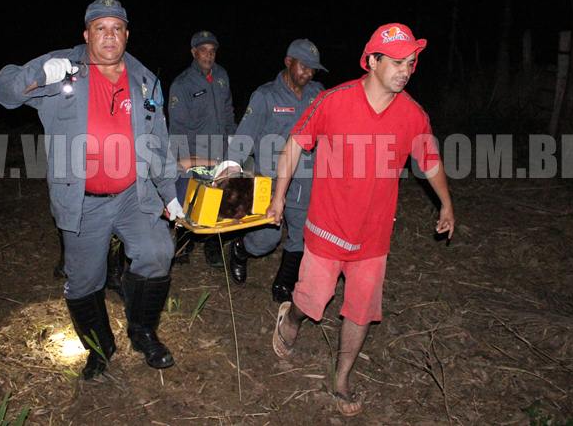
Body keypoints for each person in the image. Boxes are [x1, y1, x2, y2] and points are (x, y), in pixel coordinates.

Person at [0, 0, 184, 379]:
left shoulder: (146, 80)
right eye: (100, 28)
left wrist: (171, 194)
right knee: (83, 281)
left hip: (134, 195)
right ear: (86, 34)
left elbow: (158, 144)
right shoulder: (62, 68)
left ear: (127, 35)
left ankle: (143, 332)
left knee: (158, 251)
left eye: (117, 28)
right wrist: (38, 74)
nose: (109, 36)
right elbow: (3, 91)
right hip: (82, 201)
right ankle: (100, 348)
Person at [267, 23, 455, 417]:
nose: (406, 70)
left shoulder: (412, 115)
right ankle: (291, 318)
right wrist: (278, 197)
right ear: (372, 61)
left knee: (361, 310)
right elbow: (294, 145)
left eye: (411, 62)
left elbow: (430, 161)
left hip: (373, 236)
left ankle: (341, 379)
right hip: (326, 227)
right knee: (312, 301)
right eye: (397, 62)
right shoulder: (334, 101)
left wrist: (446, 205)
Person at [223, 39, 327, 302]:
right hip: (269, 181)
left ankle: (284, 283)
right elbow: (244, 138)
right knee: (265, 241)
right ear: (288, 62)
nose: (308, 73)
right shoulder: (265, 96)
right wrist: (228, 172)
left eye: (313, 69)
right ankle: (240, 249)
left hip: (304, 179)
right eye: (303, 66)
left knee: (301, 234)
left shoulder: (318, 94)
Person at [168, 31, 236, 266]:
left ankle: (213, 246)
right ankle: (183, 244)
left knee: (219, 197)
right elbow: (177, 127)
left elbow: (228, 110)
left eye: (212, 51)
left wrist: (232, 139)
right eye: (203, 51)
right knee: (192, 200)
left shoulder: (222, 76)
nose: (208, 55)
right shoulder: (182, 84)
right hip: (195, 153)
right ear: (193, 52)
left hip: (220, 149)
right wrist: (183, 162)